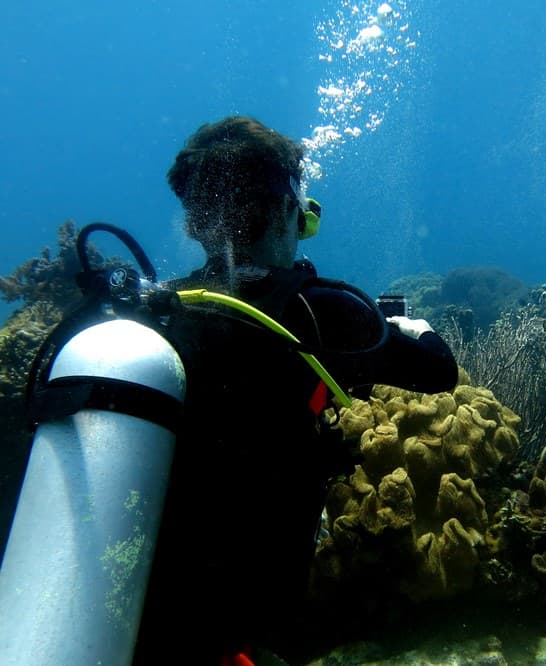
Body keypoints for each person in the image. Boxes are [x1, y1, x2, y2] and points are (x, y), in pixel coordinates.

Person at [131, 116, 457, 664]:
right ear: (286, 209)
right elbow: (437, 372)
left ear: (195, 223)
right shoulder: (315, 309)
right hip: (241, 616)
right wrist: (406, 326)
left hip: (143, 603)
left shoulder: (159, 313)